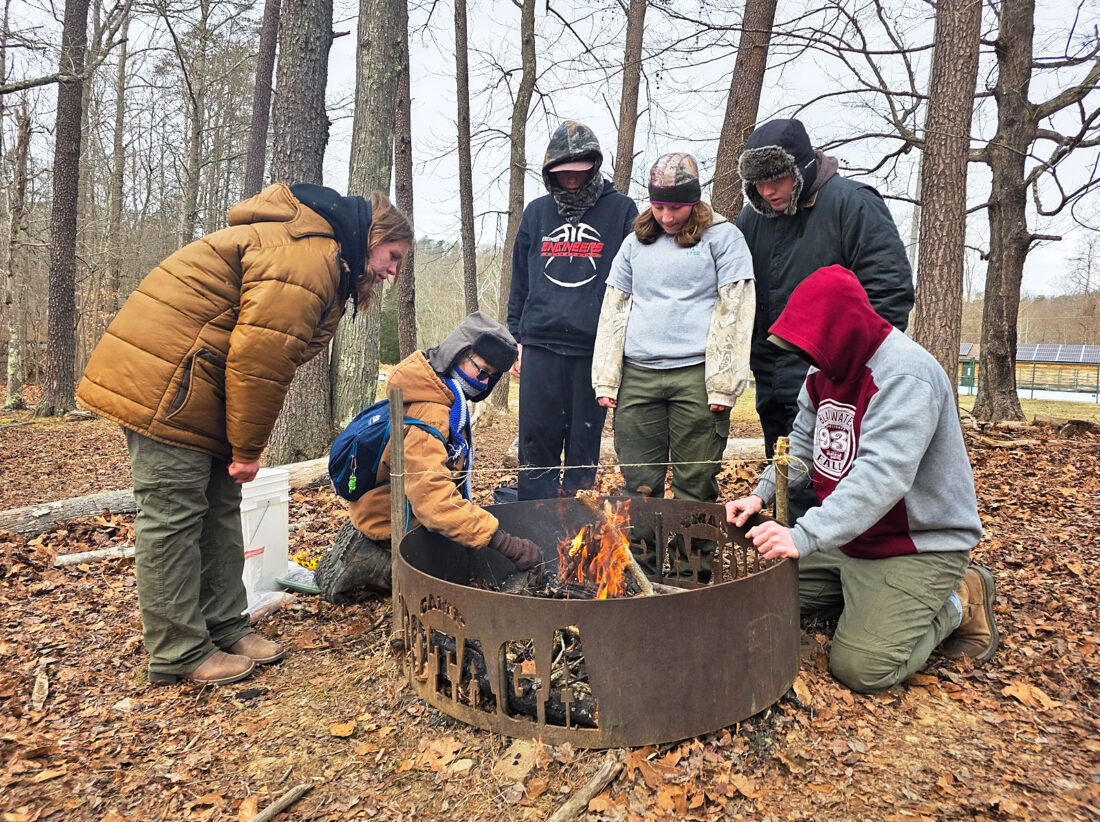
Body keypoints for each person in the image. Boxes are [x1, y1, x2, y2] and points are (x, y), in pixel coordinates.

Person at [77, 182, 412, 686]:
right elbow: (260, 360)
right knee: (172, 516)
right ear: (372, 237)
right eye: (393, 256)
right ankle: (178, 651)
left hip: (201, 383)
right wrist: (248, 449)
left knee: (220, 509)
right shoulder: (308, 258)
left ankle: (225, 626)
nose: (392, 271)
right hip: (168, 382)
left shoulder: (320, 255)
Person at [725, 265, 998, 694]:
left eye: (812, 346)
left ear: (842, 332)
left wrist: (804, 535)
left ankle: (961, 599)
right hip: (851, 537)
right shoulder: (823, 371)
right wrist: (760, 496)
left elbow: (881, 477)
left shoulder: (905, 375)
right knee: (760, 597)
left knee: (862, 668)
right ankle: (869, 602)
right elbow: (801, 444)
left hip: (915, 544)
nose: (807, 358)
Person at [736, 117, 914, 520]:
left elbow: (889, 291)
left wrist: (851, 368)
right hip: (772, 380)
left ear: (800, 167)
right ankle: (793, 555)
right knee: (786, 483)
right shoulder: (752, 219)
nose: (767, 191)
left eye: (776, 179)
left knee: (835, 483)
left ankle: (836, 556)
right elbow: (743, 298)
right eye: (758, 183)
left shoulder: (854, 204)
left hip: (837, 380)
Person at [314, 311, 542, 602]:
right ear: (458, 353)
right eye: (481, 371)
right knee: (455, 585)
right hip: (391, 526)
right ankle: (374, 562)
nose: (484, 384)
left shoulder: (442, 392)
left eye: (491, 377)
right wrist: (505, 543)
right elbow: (433, 501)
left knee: (468, 551)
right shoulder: (430, 412)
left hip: (401, 511)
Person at [592, 152, 755, 509]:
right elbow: (614, 308)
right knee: (639, 486)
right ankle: (642, 549)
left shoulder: (724, 238)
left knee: (695, 484)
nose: (666, 217)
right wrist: (606, 378)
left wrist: (724, 383)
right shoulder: (635, 242)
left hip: (697, 377)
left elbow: (737, 310)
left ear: (694, 200)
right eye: (659, 206)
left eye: (676, 208)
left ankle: (690, 550)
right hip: (638, 377)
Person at [507, 120, 638, 501]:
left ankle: (576, 522)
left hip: (593, 348)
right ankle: (535, 518)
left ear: (594, 166)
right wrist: (516, 338)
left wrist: (620, 346)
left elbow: (633, 281)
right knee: (536, 441)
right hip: (540, 344)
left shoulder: (621, 210)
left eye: (579, 171)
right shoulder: (537, 213)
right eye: (562, 172)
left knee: (583, 444)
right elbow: (520, 279)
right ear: (550, 172)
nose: (571, 179)